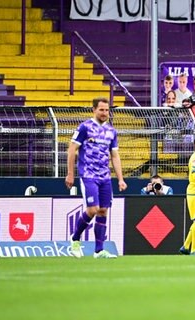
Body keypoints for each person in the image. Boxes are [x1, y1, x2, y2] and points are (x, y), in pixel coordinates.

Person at [65, 97, 127, 259]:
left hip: (105, 177)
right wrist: (70, 173)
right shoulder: (85, 127)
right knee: (92, 209)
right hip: (88, 175)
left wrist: (120, 179)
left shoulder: (111, 131)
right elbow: (72, 150)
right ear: (94, 110)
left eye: (107, 110)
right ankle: (75, 238)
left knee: (103, 211)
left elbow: (115, 156)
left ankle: (99, 250)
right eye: (101, 110)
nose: (105, 113)